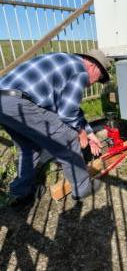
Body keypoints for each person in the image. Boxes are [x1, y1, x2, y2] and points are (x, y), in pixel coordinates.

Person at [0, 49, 111, 208]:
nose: (92, 83)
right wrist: (80, 132)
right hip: (20, 103)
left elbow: (66, 108)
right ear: (93, 66)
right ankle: (82, 188)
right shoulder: (81, 71)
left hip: (4, 102)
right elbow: (67, 113)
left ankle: (20, 193)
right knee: (69, 138)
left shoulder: (64, 61)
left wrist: (90, 133)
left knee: (28, 149)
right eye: (99, 78)